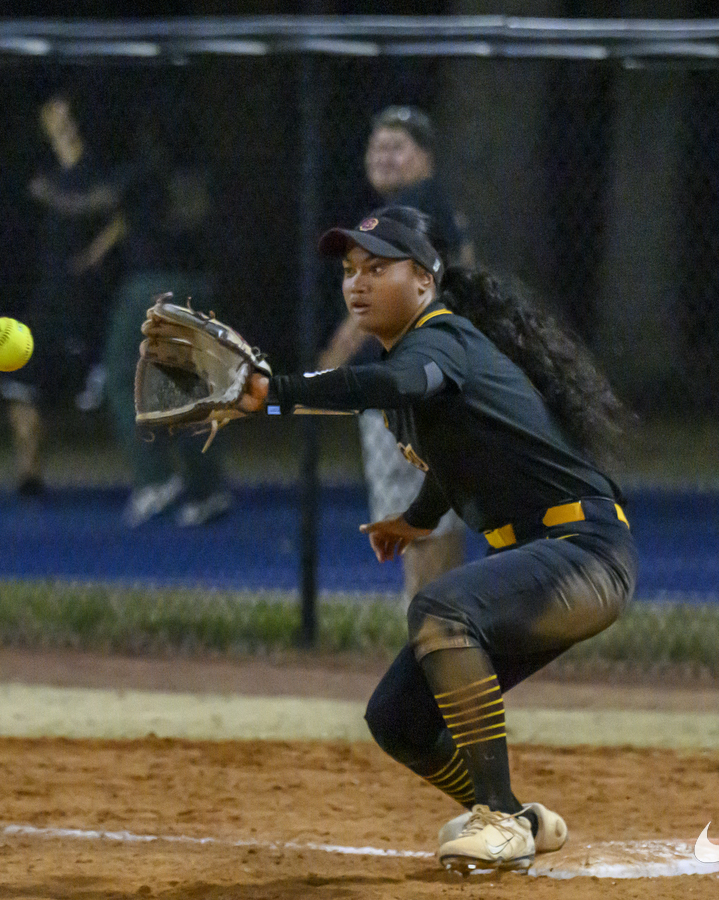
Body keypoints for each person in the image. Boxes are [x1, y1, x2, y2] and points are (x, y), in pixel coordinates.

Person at [239, 206, 637, 872]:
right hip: (545, 560)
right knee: (398, 718)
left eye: (377, 267)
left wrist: (273, 393)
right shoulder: (420, 361)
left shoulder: (440, 339)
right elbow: (466, 457)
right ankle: (517, 813)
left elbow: (398, 382)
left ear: (423, 281)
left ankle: (500, 819)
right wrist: (417, 520)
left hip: (586, 554)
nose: (356, 284)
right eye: (349, 270)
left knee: (441, 609)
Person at [318, 106, 475, 604]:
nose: (384, 157)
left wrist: (321, 373)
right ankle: (447, 633)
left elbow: (367, 308)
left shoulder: (398, 217)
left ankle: (425, 639)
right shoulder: (441, 210)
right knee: (442, 517)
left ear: (424, 158)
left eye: (397, 147)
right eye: (378, 147)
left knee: (415, 519)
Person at [102, 121, 233, 528]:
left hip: (151, 283)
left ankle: (154, 478)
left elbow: (97, 199)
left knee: (123, 377)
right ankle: (207, 488)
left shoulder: (143, 173)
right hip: (197, 283)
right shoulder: (200, 174)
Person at [0, 93, 123, 497]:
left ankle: (166, 477)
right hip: (46, 302)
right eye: (52, 119)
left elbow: (118, 213)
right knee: (20, 384)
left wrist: (95, 252)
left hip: (87, 306)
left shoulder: (96, 171)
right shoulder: (41, 172)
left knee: (115, 393)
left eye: (66, 117)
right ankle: (29, 475)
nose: (62, 125)